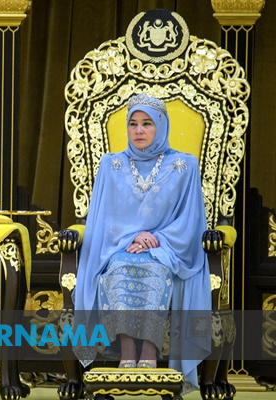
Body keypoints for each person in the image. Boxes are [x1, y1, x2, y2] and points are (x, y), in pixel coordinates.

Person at [71, 92, 211, 390]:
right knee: (119, 268)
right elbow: (102, 219)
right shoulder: (111, 165)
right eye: (133, 123)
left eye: (147, 123)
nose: (138, 130)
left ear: (161, 126)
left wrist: (155, 239)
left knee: (154, 269)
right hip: (119, 248)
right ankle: (127, 350)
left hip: (167, 249)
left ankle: (150, 349)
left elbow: (191, 220)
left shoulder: (184, 166)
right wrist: (131, 235)